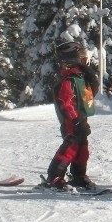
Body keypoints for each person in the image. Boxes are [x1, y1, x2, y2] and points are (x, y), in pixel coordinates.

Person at [43, 39, 99, 190]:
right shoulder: (68, 81)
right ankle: (55, 176)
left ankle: (78, 175)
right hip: (72, 121)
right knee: (71, 146)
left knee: (82, 148)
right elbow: (66, 104)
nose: (85, 61)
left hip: (81, 118)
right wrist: (76, 121)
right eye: (82, 58)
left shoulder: (81, 78)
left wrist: (91, 76)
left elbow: (90, 94)